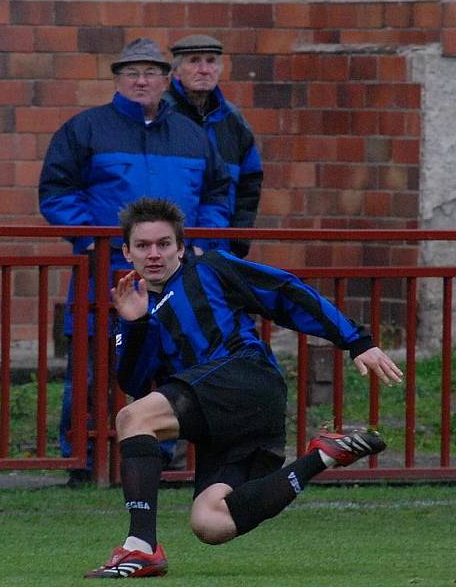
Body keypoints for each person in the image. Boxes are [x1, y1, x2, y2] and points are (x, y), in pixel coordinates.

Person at [84, 197, 403, 578]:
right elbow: (133, 382)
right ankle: (322, 455)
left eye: (164, 244)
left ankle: (140, 547)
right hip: (224, 417)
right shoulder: (139, 310)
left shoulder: (210, 270)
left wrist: (356, 340)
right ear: (127, 253)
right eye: (143, 246)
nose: (154, 254)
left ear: (181, 248)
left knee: (133, 417)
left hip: (244, 378)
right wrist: (133, 326)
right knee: (211, 522)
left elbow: (283, 292)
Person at [38, 38, 231, 486]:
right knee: (91, 367)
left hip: (175, 277)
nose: (141, 81)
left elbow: (219, 194)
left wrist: (202, 243)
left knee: (172, 366)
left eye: (151, 73)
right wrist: (93, 241)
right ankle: (83, 461)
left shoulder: (192, 134)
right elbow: (57, 191)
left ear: (168, 80)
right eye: (131, 73)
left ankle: (161, 458)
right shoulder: (84, 129)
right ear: (117, 79)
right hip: (104, 273)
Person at [164, 34, 263, 259]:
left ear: (220, 69)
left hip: (221, 246)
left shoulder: (233, 120)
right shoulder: (162, 116)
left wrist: (238, 240)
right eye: (194, 61)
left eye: (211, 61)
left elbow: (250, 186)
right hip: (168, 249)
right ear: (176, 71)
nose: (204, 69)